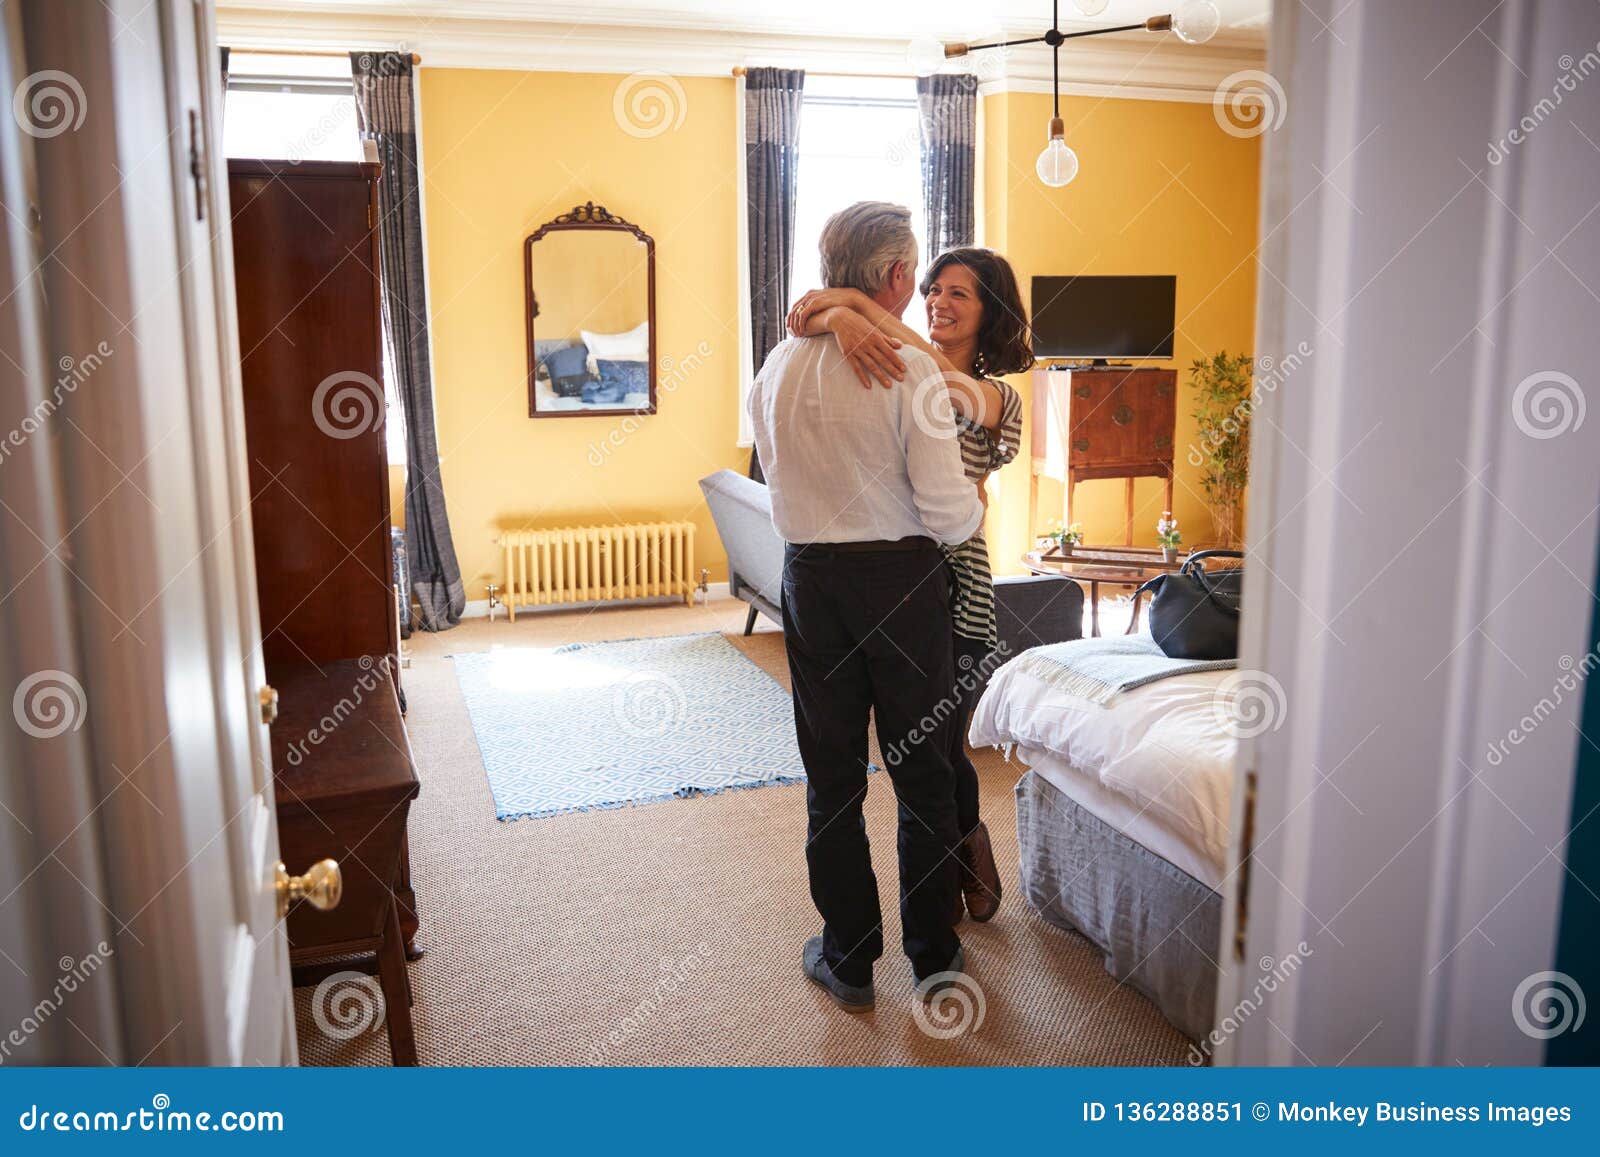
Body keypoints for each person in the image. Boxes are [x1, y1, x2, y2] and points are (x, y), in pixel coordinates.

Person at [747, 202, 983, 1012]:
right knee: (922, 772)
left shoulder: (773, 367)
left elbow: (774, 480)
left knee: (833, 774)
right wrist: (978, 509)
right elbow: (951, 516)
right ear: (893, 277)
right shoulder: (911, 372)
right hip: (902, 586)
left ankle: (847, 956)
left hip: (810, 584)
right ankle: (934, 957)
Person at [786, 246, 1033, 923]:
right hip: (902, 570)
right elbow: (810, 324)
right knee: (926, 745)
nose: (939, 302)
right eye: (932, 289)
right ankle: (956, 864)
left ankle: (966, 860)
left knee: (938, 745)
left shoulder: (990, 395)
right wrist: (838, 320)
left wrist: (846, 308)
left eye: (960, 294)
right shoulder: (896, 365)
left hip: (959, 575)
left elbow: (921, 361)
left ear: (992, 313)